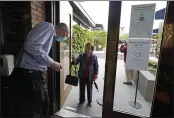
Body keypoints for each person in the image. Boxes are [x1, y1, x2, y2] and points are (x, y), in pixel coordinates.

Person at [10, 22, 69, 118]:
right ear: (61, 30)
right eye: (66, 35)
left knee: (44, 103)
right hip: (29, 74)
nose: (64, 38)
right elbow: (31, 45)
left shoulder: (49, 34)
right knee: (33, 108)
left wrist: (52, 64)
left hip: (35, 74)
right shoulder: (49, 27)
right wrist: (52, 63)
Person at [71, 43, 99, 107]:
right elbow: (76, 62)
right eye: (86, 48)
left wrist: (96, 74)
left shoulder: (94, 57)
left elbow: (96, 66)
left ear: (92, 50)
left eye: (88, 48)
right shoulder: (81, 55)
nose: (86, 49)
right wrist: (73, 60)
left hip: (90, 76)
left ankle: (89, 102)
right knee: (82, 89)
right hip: (82, 75)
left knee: (89, 89)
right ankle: (81, 100)